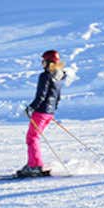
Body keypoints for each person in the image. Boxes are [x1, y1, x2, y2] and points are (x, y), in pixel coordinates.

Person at [18, 49, 66, 177]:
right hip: (49, 113)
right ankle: (33, 163)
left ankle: (34, 166)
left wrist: (31, 108)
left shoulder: (45, 75)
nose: (42, 64)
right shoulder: (59, 76)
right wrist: (50, 111)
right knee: (34, 137)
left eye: (43, 61)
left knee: (32, 138)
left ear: (48, 61)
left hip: (41, 112)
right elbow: (57, 97)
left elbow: (41, 95)